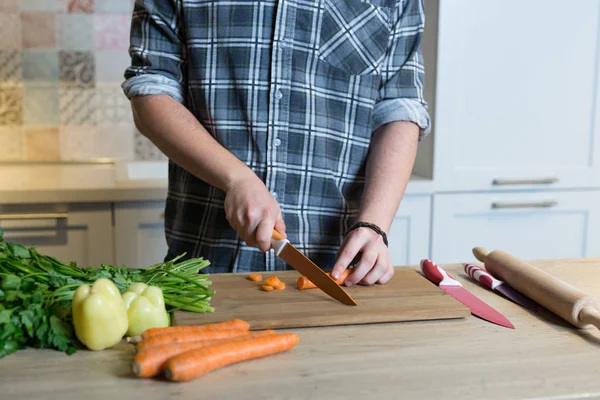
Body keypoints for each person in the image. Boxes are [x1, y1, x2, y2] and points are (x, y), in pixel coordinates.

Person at [122, 0, 431, 286]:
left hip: (336, 270)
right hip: (205, 267)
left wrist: (374, 225)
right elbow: (151, 89)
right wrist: (237, 178)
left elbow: (400, 107)